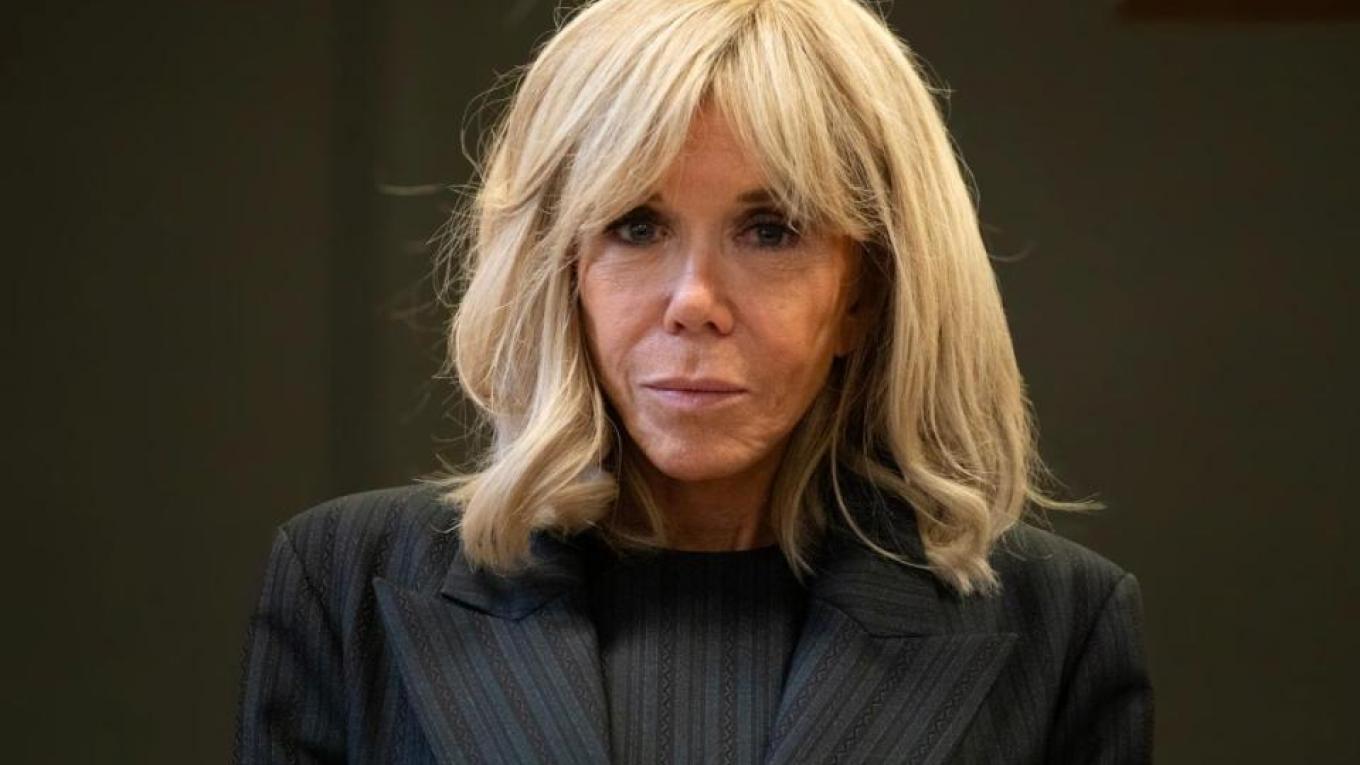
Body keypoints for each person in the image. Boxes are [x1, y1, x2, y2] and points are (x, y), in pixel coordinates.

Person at [235, 0, 1153, 762]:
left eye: (771, 231)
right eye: (636, 226)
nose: (695, 302)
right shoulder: (344, 584)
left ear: (865, 294)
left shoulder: (1059, 624)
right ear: (563, 270)